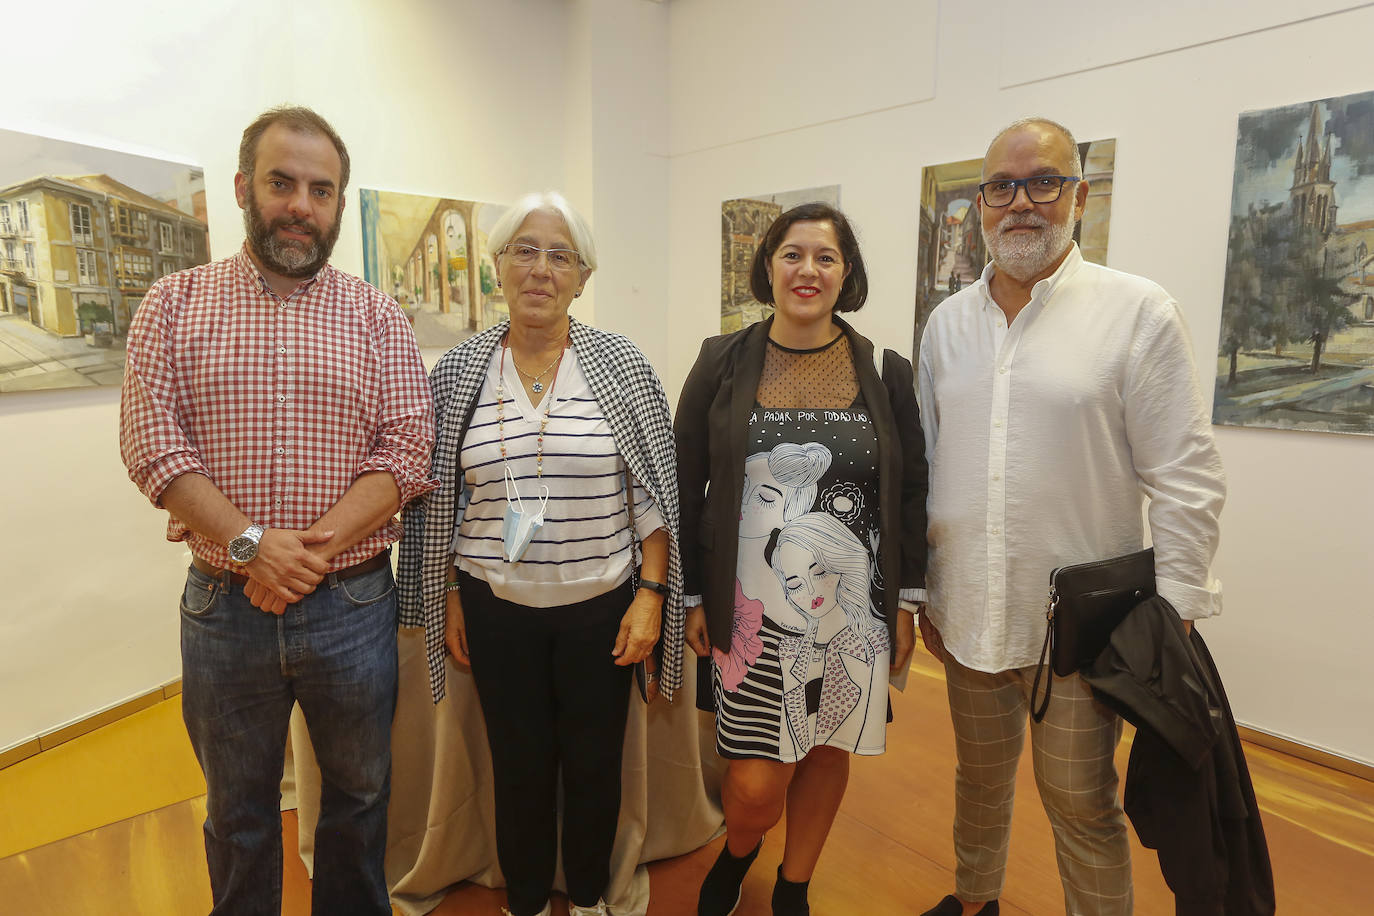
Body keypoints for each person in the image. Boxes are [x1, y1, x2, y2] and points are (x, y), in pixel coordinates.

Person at [119, 105, 435, 915]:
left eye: (321, 190)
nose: (301, 204)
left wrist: (301, 555)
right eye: (282, 182)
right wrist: (252, 545)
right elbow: (154, 447)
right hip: (225, 610)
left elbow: (405, 453)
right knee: (239, 815)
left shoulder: (377, 316)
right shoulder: (173, 305)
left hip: (355, 604)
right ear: (241, 188)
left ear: (337, 203)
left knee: (360, 804)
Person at [915, 117, 1226, 916]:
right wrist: (920, 595)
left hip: (1083, 632)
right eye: (1001, 187)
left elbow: (1186, 476)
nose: (1021, 203)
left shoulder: (1137, 313)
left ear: (1079, 196)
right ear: (980, 205)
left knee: (1082, 806)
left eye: (1043, 182)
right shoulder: (946, 327)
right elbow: (926, 465)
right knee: (977, 781)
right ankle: (974, 899)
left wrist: (1177, 612)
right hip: (968, 613)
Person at [396, 191, 683, 916]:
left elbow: (652, 491)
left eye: (560, 255)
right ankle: (524, 900)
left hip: (603, 610)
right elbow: (446, 502)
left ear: (583, 277)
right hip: (497, 612)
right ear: (496, 266)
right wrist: (453, 597)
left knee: (593, 768)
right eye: (524, 249)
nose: (540, 268)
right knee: (518, 767)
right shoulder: (459, 371)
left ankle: (586, 898)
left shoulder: (620, 364)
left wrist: (650, 597)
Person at [675, 202, 928, 916]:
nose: (807, 270)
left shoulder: (885, 370)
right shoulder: (720, 361)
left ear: (846, 273)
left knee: (825, 746)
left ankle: (795, 885)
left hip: (851, 600)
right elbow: (684, 476)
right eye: (792, 254)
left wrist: (907, 603)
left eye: (825, 257)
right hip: (749, 604)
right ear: (768, 267)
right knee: (753, 784)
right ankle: (741, 846)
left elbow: (911, 489)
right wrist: (693, 597)